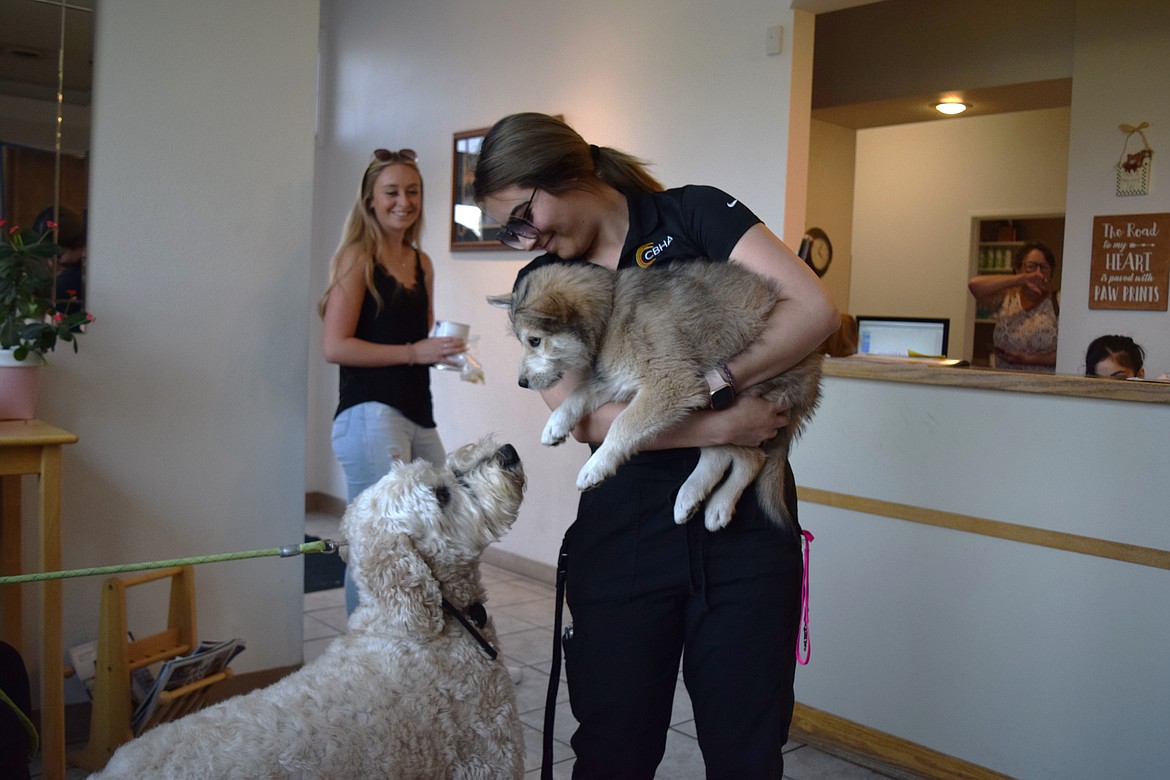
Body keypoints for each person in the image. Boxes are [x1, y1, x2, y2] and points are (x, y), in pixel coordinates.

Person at [474, 113, 839, 779]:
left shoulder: (692, 214)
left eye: (525, 213)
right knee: (614, 749)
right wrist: (721, 423)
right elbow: (583, 418)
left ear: (570, 170)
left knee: (746, 753)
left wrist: (718, 379)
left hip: (745, 533)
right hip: (627, 533)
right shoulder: (547, 281)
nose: (529, 235)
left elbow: (812, 312)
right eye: (512, 228)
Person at [318, 148, 464, 614]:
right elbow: (334, 346)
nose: (404, 201)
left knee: (438, 523)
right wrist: (411, 352)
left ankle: (412, 649)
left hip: (418, 411)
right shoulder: (357, 257)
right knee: (378, 543)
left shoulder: (422, 263)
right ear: (371, 200)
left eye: (413, 191)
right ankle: (367, 654)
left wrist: (446, 352)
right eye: (392, 192)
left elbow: (420, 339)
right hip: (369, 412)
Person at [968, 241, 1060, 372]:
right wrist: (1021, 279)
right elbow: (974, 285)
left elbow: (1069, 352)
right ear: (1018, 269)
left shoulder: (1058, 301)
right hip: (1005, 384)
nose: (1038, 273)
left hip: (1044, 387)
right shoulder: (1007, 298)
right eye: (1031, 266)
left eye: (1043, 267)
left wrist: (1027, 359)